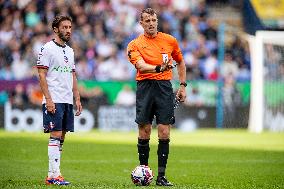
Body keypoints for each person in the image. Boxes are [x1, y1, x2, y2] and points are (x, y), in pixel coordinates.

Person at [127, 8, 187, 186]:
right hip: (145, 87)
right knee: (144, 130)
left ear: (157, 21)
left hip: (164, 88)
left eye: (153, 20)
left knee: (164, 131)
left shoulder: (169, 40)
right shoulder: (134, 44)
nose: (151, 23)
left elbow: (181, 61)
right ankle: (144, 171)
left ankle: (161, 176)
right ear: (141, 23)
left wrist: (182, 85)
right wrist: (160, 67)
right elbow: (141, 66)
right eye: (147, 21)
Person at [36, 15, 82, 186]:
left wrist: (76, 97)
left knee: (61, 136)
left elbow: (73, 75)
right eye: (64, 27)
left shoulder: (70, 51)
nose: (68, 30)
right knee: (55, 135)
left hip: (67, 99)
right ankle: (55, 175)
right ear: (55, 29)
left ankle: (52, 174)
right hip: (54, 98)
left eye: (70, 27)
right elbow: (41, 74)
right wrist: (48, 99)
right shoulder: (47, 48)